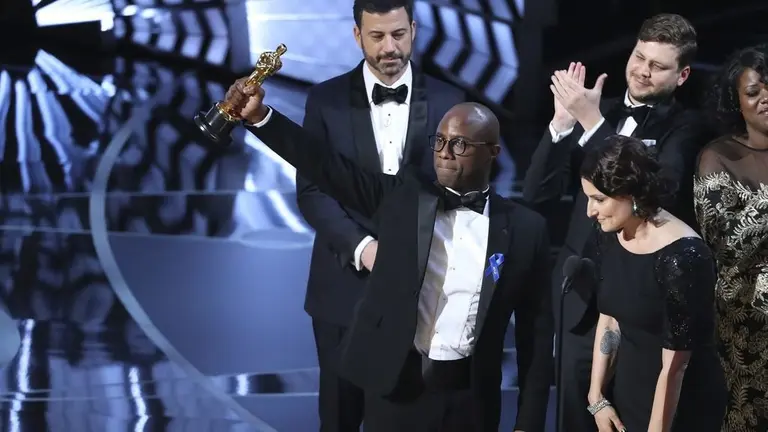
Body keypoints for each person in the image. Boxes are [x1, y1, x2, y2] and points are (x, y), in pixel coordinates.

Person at [229, 77, 554, 431]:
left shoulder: (525, 230)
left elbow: (535, 338)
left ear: (493, 151)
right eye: (440, 140)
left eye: (460, 144)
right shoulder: (405, 199)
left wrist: (528, 422)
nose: (444, 152)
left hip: (472, 402)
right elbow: (328, 167)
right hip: (399, 393)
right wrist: (261, 116)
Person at [522, 13, 711, 431]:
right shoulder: (597, 112)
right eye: (639, 57)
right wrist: (561, 124)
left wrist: (590, 124)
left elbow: (659, 188)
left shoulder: (686, 128)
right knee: (574, 414)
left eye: (658, 66)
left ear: (681, 75)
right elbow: (537, 194)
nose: (642, 70)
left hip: (639, 308)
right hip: (581, 298)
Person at [296, 0, 464, 429]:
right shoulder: (325, 100)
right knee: (339, 416)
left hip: (420, 297)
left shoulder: (450, 100)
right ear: (357, 36)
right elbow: (313, 192)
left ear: (413, 29)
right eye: (377, 37)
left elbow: (458, 193)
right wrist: (364, 248)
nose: (390, 47)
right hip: (342, 292)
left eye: (398, 35)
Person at [579, 135, 726, 431]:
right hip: (628, 393)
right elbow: (610, 319)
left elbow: (676, 367)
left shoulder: (682, 256)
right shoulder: (609, 234)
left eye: (599, 199)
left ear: (630, 193)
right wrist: (597, 397)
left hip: (678, 405)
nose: (590, 211)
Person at [695, 44, 768, 432]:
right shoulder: (718, 156)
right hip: (747, 322)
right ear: (735, 101)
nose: (764, 98)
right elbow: (722, 242)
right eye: (753, 92)